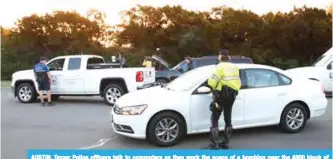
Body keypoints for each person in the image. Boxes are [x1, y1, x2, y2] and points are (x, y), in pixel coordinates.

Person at [204, 49, 241, 149]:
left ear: (220, 57)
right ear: (229, 57)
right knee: (228, 118)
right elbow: (238, 82)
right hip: (232, 95)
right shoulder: (235, 67)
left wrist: (209, 85)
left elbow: (213, 81)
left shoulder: (219, 66)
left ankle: (213, 144)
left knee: (215, 117)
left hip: (221, 95)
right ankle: (225, 143)